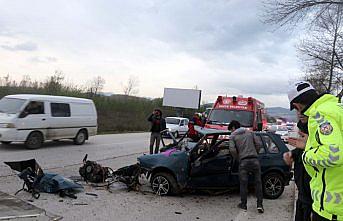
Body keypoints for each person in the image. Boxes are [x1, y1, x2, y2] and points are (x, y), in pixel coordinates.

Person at [287, 81, 343, 221]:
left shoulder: (320, 114)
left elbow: (333, 154)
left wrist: (306, 154)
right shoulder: (336, 109)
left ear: (297, 105)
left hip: (331, 208)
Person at [228, 120, 264, 213]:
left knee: (244, 184)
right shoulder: (250, 132)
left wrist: (238, 158)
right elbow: (259, 144)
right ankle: (260, 205)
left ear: (233, 128)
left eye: (231, 130)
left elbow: (232, 150)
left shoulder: (233, 136)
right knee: (258, 183)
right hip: (255, 160)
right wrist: (255, 152)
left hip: (243, 161)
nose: (231, 131)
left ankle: (243, 204)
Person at [283, 112, 312, 221]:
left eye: (303, 109)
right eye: (297, 109)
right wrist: (290, 155)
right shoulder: (302, 128)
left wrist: (309, 144)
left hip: (316, 202)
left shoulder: (322, 129)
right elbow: (301, 150)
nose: (299, 113)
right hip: (302, 196)